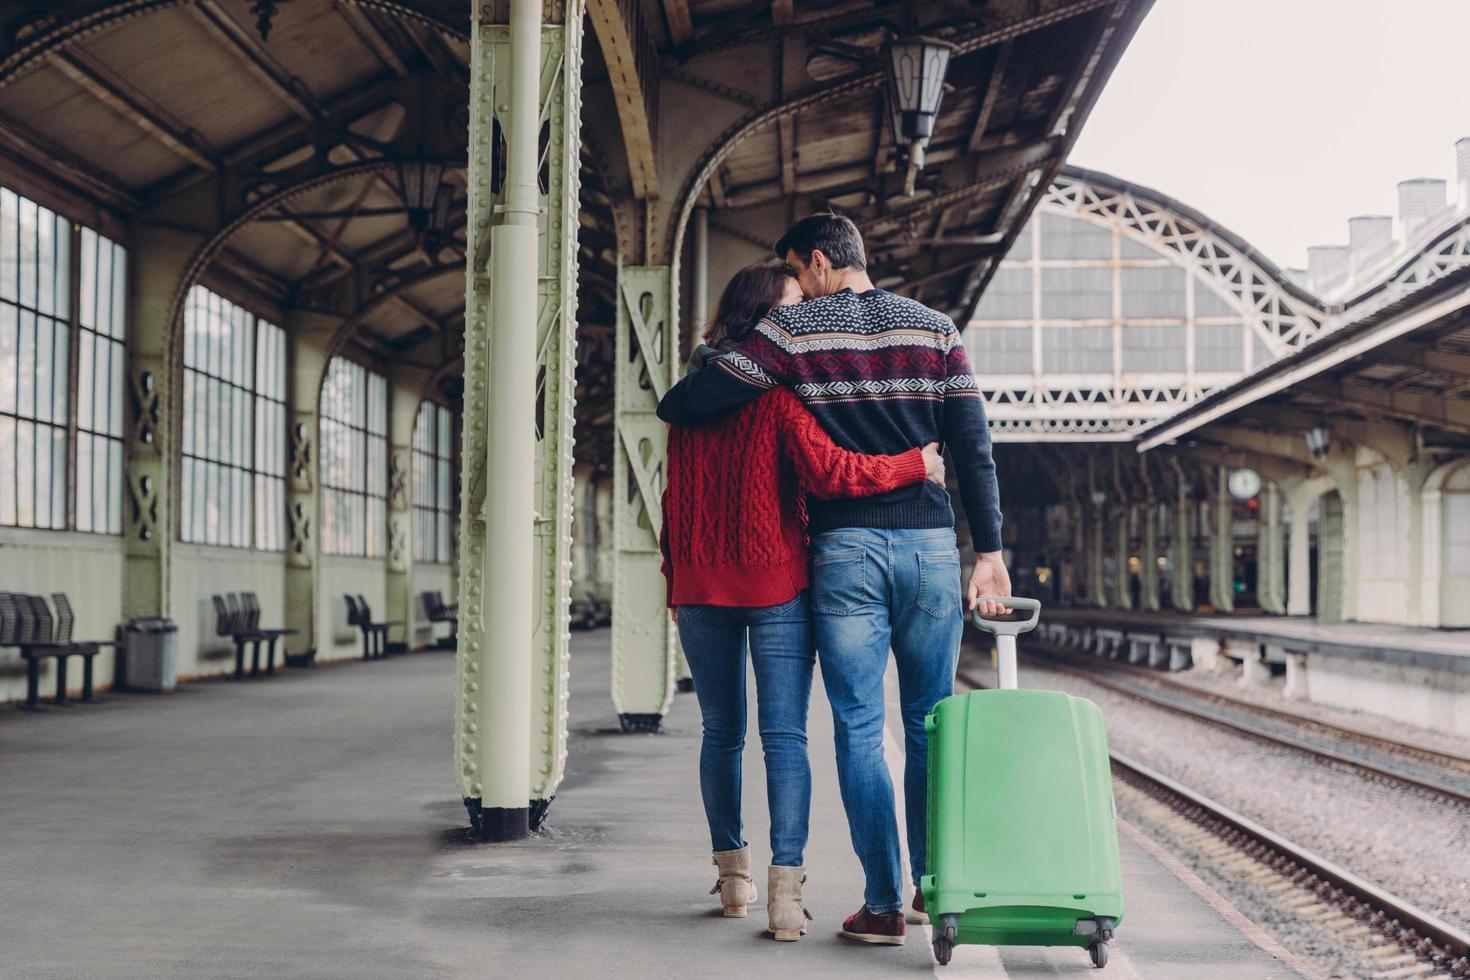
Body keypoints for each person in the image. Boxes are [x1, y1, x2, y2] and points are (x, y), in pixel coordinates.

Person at [658, 214, 1011, 946]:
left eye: (797, 268)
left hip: (844, 549)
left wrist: (684, 399)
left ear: (818, 262)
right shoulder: (936, 329)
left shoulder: (794, 335)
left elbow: (703, 396)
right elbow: (974, 448)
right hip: (930, 546)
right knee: (928, 726)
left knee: (858, 729)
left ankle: (880, 904)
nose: (798, 285)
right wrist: (991, 552)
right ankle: (930, 889)